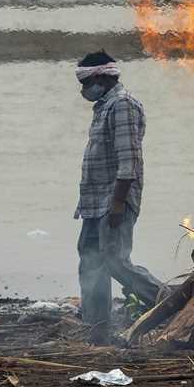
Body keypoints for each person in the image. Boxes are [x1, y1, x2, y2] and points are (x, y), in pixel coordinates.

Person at [73, 51, 162, 344]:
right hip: (94, 202)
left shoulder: (123, 106)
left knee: (115, 261)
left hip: (114, 201)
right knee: (90, 261)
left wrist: (118, 204)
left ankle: (168, 303)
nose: (83, 88)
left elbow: (129, 162)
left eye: (86, 81)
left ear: (101, 77)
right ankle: (98, 332)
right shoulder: (104, 107)